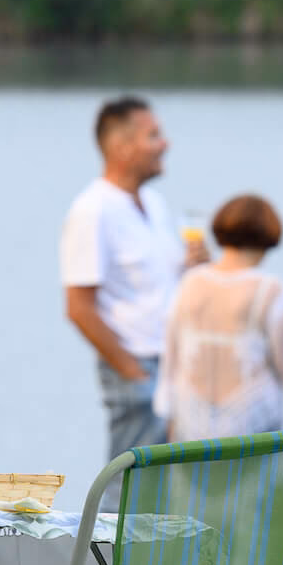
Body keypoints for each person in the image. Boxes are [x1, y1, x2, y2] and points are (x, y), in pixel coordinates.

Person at [60, 95, 207, 460]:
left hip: (173, 363)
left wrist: (196, 265)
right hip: (137, 367)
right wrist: (133, 374)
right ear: (122, 147)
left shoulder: (153, 203)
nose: (166, 143)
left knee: (165, 485)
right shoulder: (92, 210)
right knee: (129, 487)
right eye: (154, 135)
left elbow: (157, 285)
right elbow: (79, 308)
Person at [157, 194, 283, 442]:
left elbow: (170, 371)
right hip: (251, 446)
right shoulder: (271, 291)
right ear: (269, 239)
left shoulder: (190, 282)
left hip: (190, 444)